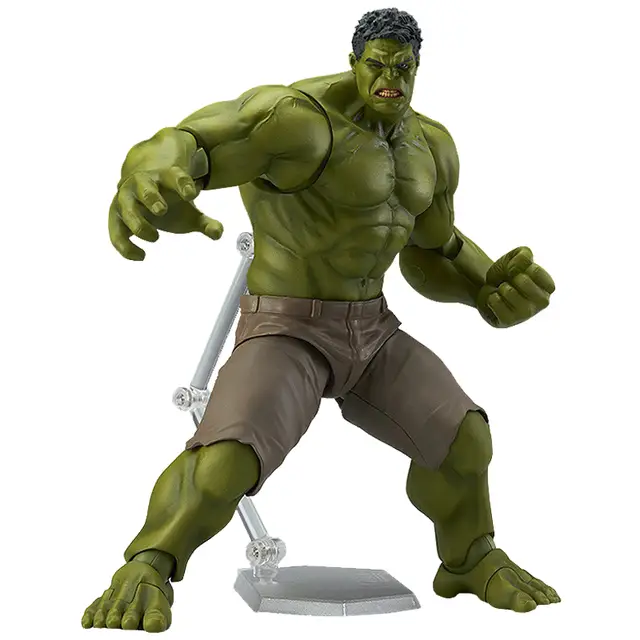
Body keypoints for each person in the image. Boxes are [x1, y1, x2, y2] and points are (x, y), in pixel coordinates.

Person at [83, 7, 560, 632]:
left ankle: (469, 560)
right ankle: (148, 564)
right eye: (378, 65)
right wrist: (146, 173)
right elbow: (195, 141)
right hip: (287, 329)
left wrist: (487, 289)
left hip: (373, 331)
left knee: (465, 438)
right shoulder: (297, 121)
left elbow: (433, 251)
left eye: (404, 68)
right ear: (354, 62)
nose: (390, 79)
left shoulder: (431, 146)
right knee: (228, 459)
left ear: (418, 67)